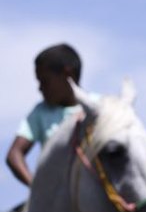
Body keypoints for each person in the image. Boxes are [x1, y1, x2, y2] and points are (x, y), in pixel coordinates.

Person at [5, 43, 96, 187]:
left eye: (44, 81)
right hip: (55, 199)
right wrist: (37, 189)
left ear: (68, 74)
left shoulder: (98, 108)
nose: (40, 88)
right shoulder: (41, 112)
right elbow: (14, 154)